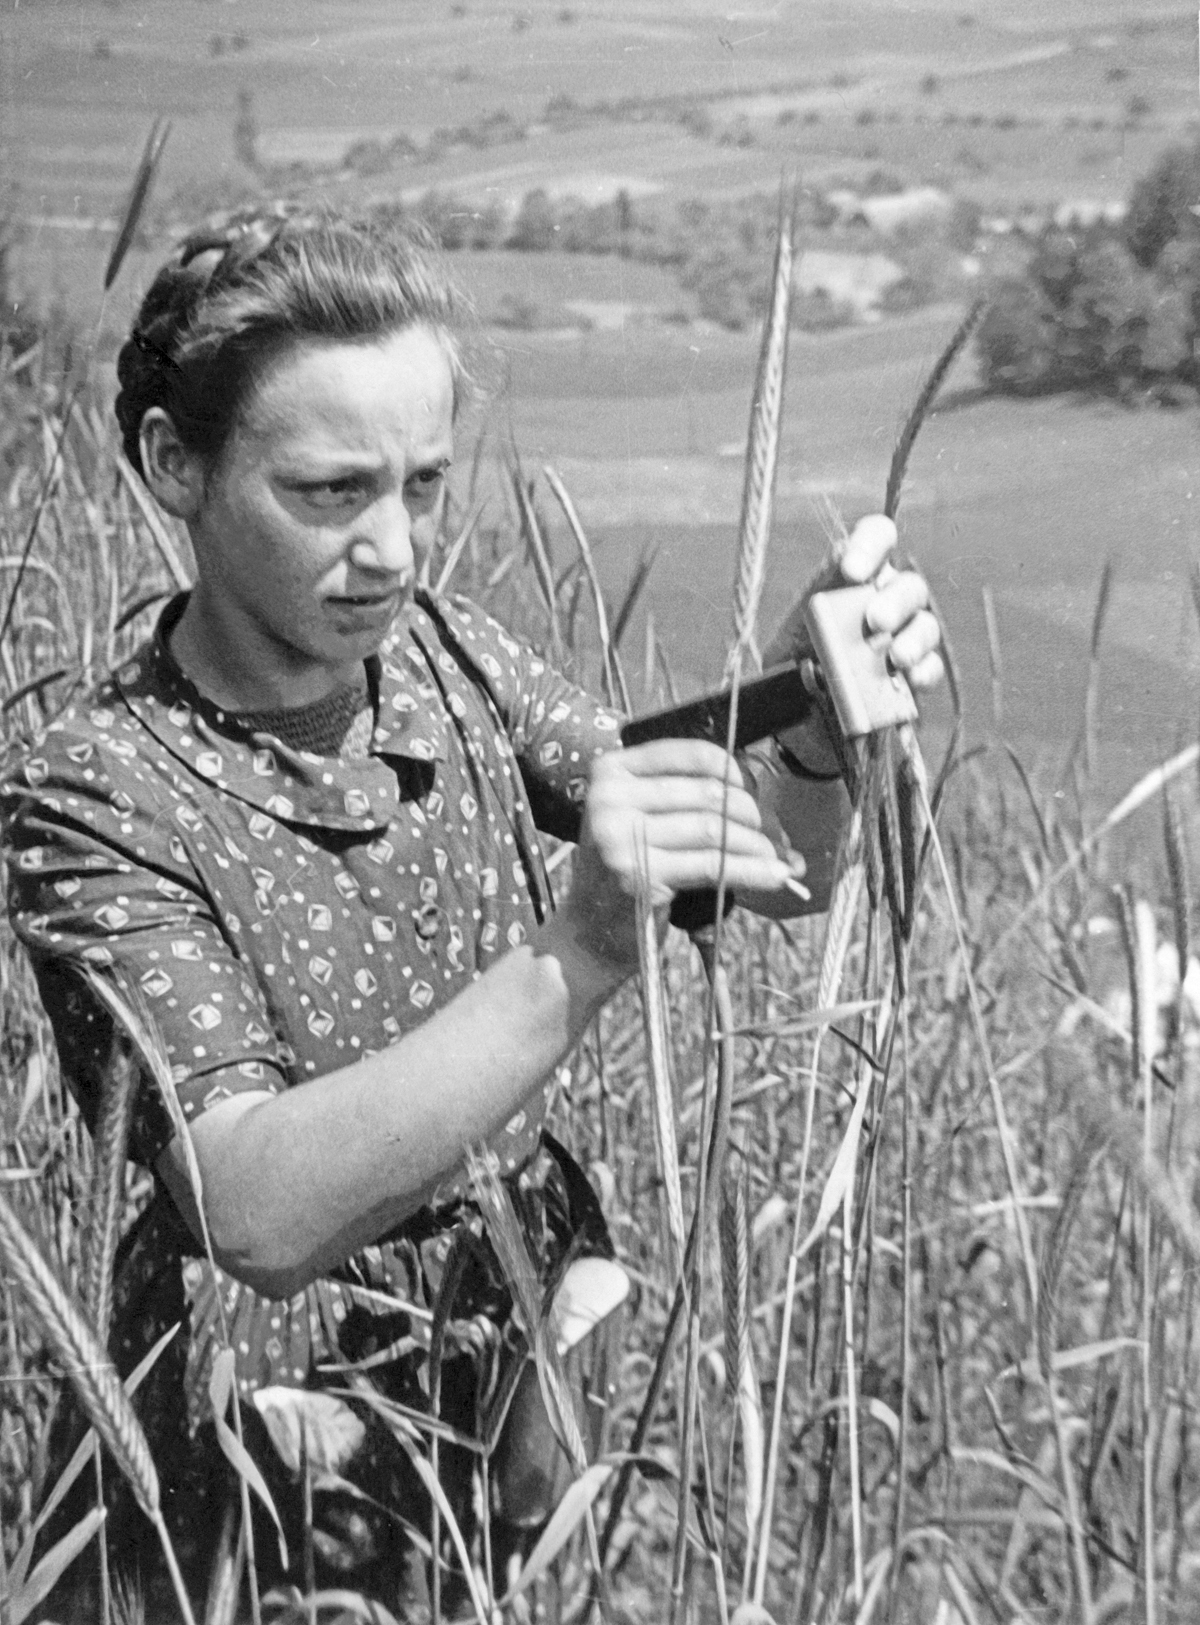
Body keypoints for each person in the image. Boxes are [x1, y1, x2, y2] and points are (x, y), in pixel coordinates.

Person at [1, 209, 943, 1620]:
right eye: (329, 493)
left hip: (506, 1345)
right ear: (172, 463)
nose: (390, 549)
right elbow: (252, 1207)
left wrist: (807, 715)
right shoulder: (91, 787)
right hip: (266, 1447)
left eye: (423, 487)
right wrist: (579, 956)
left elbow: (766, 872)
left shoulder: (448, 655)